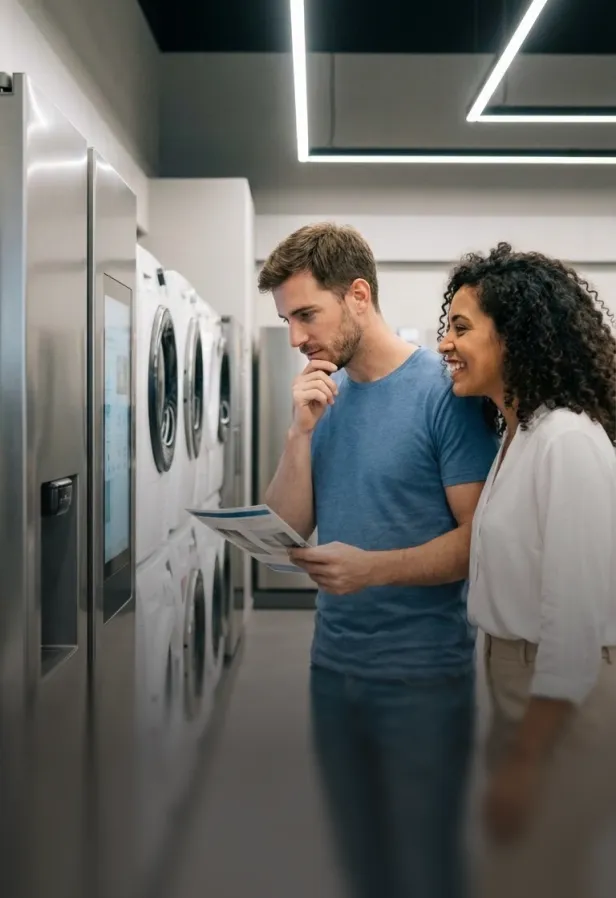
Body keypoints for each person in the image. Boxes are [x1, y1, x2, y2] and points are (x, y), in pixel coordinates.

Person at [257, 222, 499, 898]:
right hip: (333, 669)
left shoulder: (444, 395)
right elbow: (286, 525)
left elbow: (479, 539)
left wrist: (373, 569)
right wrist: (299, 434)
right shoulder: (321, 394)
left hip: (420, 680)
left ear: (358, 295)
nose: (297, 337)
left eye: (307, 314)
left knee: (422, 868)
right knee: (363, 865)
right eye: (287, 320)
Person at [437, 242, 616, 898]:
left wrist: (525, 760)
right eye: (444, 327)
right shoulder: (519, 433)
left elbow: (573, 630)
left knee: (528, 875)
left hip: (560, 700)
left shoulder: (567, 441)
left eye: (461, 328)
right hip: (520, 682)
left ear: (516, 337)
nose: (443, 345)